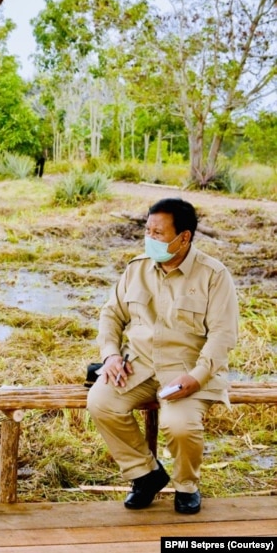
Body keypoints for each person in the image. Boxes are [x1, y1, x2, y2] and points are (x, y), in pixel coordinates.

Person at [87, 198, 238, 515]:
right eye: (148, 231)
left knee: (179, 426)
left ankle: (186, 487)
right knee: (101, 401)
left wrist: (196, 378)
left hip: (187, 371)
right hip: (138, 365)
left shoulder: (213, 275)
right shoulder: (136, 268)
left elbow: (223, 335)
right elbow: (111, 315)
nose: (150, 239)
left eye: (159, 233)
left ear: (184, 237)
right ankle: (146, 474)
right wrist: (111, 356)